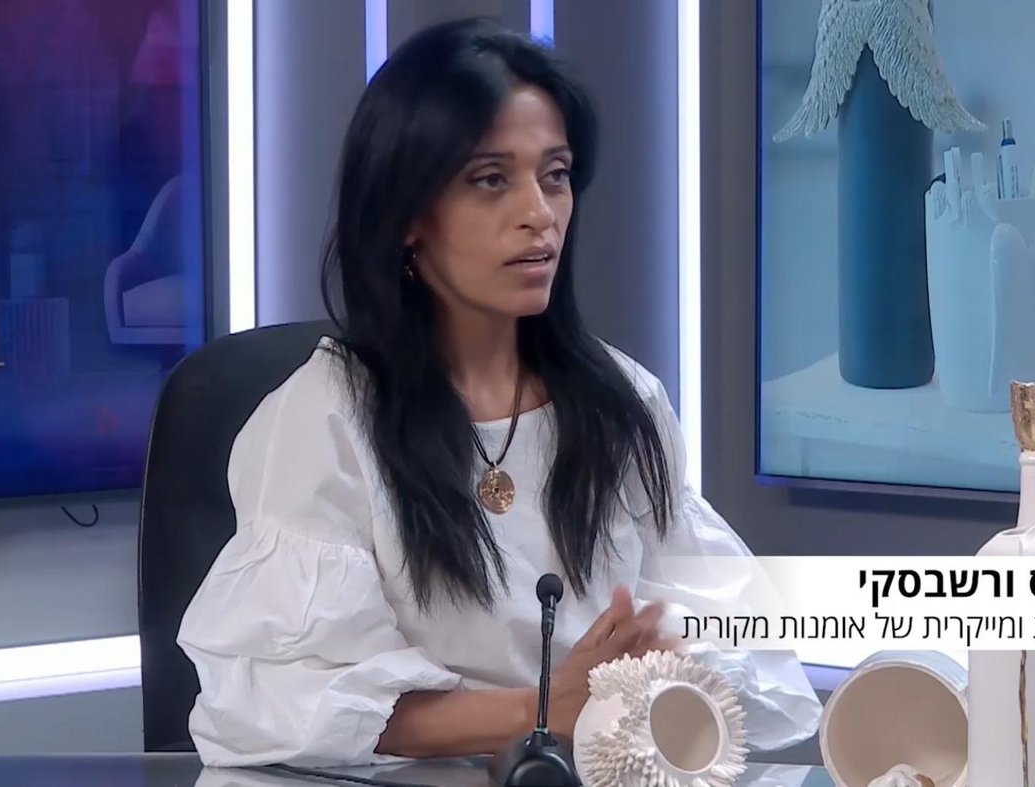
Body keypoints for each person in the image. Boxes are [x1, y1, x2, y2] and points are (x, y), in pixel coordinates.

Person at [177, 17, 822, 768]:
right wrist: (542, 710)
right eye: (491, 180)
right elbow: (276, 701)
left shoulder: (625, 404)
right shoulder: (322, 422)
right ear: (407, 216)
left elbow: (747, 652)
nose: (539, 214)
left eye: (555, 175)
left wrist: (669, 660)